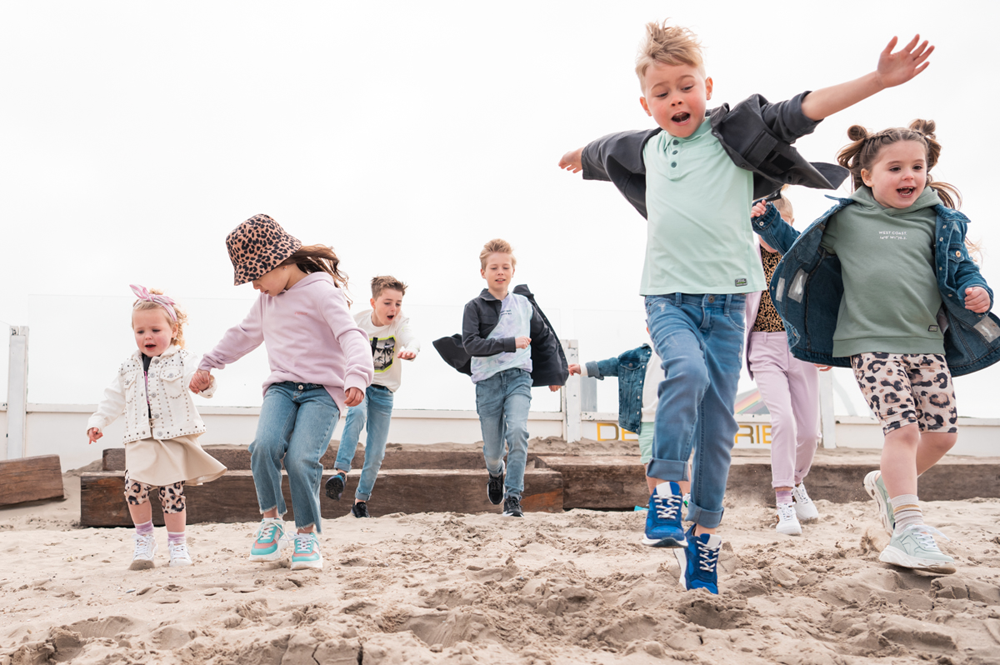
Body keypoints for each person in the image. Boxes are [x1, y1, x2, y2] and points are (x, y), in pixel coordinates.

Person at [558, 19, 934, 593]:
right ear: (646, 102)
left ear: (707, 87)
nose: (675, 99)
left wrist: (877, 81)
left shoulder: (733, 137)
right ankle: (663, 488)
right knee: (683, 371)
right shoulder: (643, 148)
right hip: (668, 298)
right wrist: (578, 156)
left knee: (718, 426)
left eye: (686, 86)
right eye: (661, 93)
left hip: (728, 303)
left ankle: (704, 542)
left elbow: (799, 111)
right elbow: (601, 149)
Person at [752, 120, 998, 573]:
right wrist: (768, 220)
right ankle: (907, 528)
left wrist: (979, 290)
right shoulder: (848, 219)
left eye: (917, 167)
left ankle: (887, 485)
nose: (909, 176)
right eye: (896, 168)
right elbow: (799, 249)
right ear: (867, 175)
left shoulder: (940, 221)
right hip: (869, 343)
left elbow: (963, 271)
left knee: (943, 436)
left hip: (927, 342)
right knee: (902, 430)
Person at [190, 214, 373, 571]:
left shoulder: (322, 292)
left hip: (322, 391)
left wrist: (357, 376)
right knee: (263, 447)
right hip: (281, 388)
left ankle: (306, 536)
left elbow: (352, 336)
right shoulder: (266, 303)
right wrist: (210, 362)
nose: (255, 286)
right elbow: (242, 335)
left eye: (256, 276)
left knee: (301, 457)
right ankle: (272, 521)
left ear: (280, 261)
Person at [87, 285, 226, 570]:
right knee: (133, 489)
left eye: (155, 330)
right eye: (140, 332)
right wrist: (98, 422)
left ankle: (177, 545)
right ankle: (145, 540)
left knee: (171, 492)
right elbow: (113, 398)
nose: (147, 336)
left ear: (173, 330)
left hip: (172, 437)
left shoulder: (184, 359)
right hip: (139, 437)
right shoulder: (128, 367)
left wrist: (205, 382)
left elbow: (198, 379)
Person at [436, 239, 566, 518]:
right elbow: (471, 345)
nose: (500, 271)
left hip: (519, 377)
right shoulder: (474, 307)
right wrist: (510, 342)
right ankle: (496, 473)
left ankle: (513, 497)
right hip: (487, 382)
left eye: (505, 267)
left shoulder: (524, 305)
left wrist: (556, 373)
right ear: (483, 272)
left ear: (512, 272)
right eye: (493, 267)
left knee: (518, 432)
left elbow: (545, 338)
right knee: (493, 450)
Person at [744, 193, 823, 536]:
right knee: (784, 420)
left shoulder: (803, 254)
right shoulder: (745, 255)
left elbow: (822, 299)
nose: (770, 235)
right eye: (763, 229)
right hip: (762, 346)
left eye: (780, 226)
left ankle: (797, 481)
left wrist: (824, 345)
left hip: (800, 346)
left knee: (809, 432)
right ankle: (784, 502)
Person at [325, 275, 420, 518]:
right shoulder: (358, 322)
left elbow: (411, 337)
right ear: (373, 302)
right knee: (356, 413)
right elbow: (336, 342)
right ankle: (341, 473)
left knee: (376, 451)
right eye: (388, 303)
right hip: (361, 384)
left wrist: (411, 349)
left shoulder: (399, 323)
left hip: (385, 393)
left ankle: (360, 502)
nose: (393, 309)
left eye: (398, 303)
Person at [569, 342, 665, 495]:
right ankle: (657, 500)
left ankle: (686, 499)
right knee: (650, 462)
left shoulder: (681, 351)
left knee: (677, 461)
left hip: (673, 417)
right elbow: (614, 364)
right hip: (646, 419)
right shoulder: (638, 355)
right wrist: (585, 369)